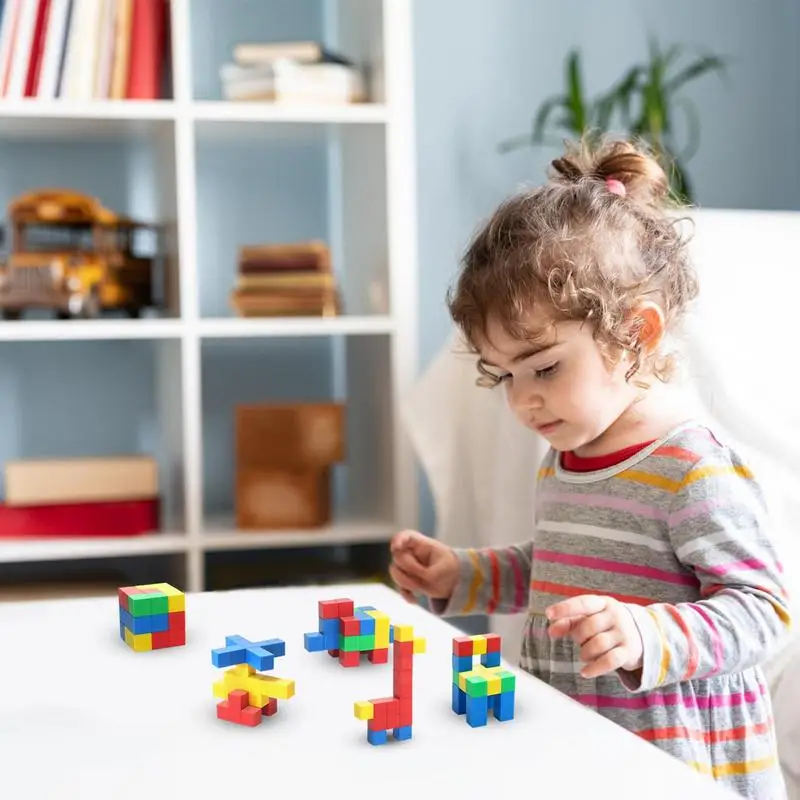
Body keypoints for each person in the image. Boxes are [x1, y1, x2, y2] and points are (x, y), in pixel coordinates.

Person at [389, 137, 792, 799]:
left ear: (638, 333)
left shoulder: (690, 469)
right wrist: (464, 576)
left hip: (679, 766)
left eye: (544, 366)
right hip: (581, 751)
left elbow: (764, 612)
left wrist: (647, 632)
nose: (523, 399)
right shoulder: (567, 457)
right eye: (505, 375)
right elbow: (560, 569)